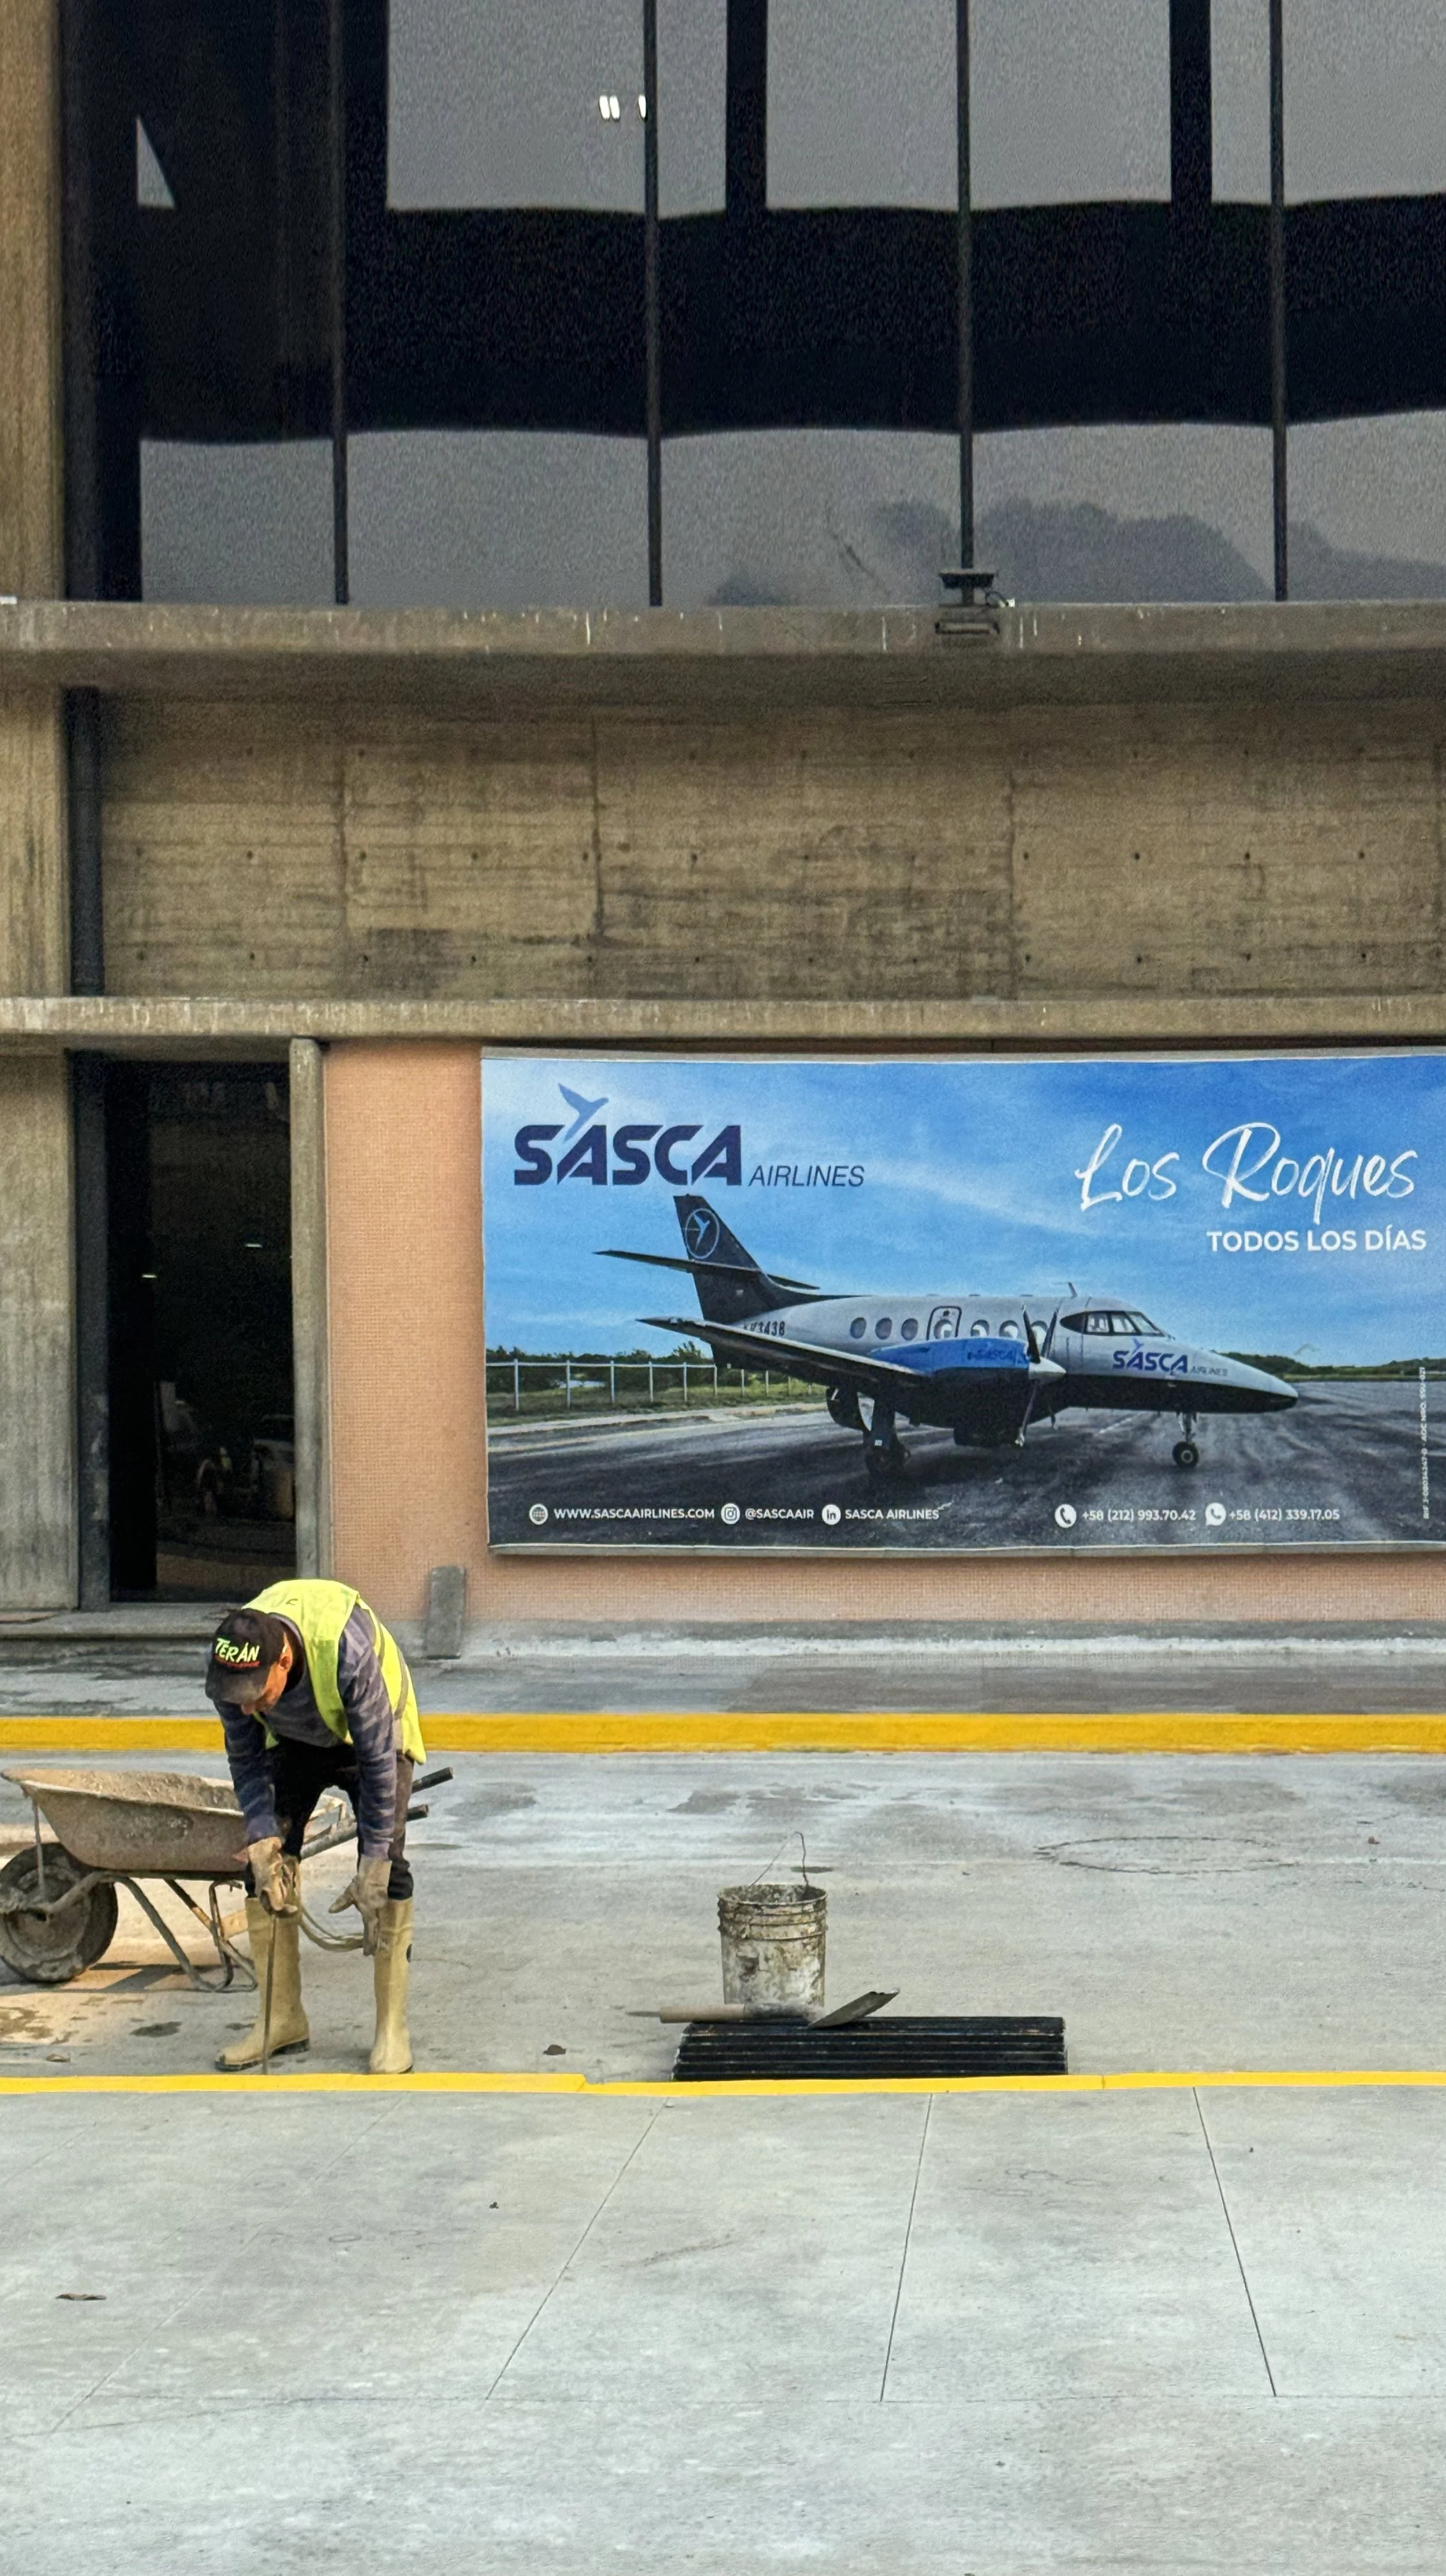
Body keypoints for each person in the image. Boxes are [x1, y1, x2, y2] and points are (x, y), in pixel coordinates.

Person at [203, 1579, 426, 2074]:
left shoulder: (347, 1647)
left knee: (388, 1871)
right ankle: (280, 2019)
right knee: (265, 1870)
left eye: (255, 1694)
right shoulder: (231, 1665)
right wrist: (262, 1837)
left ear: (282, 1661)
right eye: (236, 1697)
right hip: (294, 1741)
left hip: (372, 1737)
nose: (244, 1706)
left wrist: (373, 1862)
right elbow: (246, 1758)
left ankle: (392, 2030)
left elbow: (377, 1761)